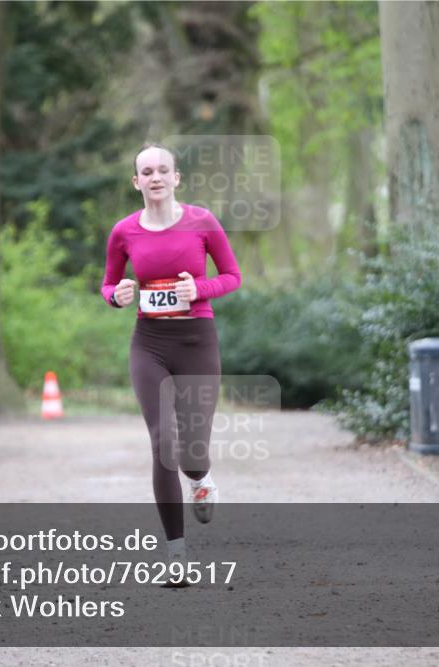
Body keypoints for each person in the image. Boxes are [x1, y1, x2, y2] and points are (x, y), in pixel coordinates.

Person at [101, 143, 242, 582]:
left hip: (197, 343)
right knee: (162, 443)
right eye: (147, 171)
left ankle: (201, 480)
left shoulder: (202, 221)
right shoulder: (124, 231)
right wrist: (117, 295)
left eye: (163, 170)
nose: (156, 177)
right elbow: (108, 285)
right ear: (136, 182)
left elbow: (232, 276)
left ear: (176, 178)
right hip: (150, 345)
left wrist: (199, 289)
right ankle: (176, 555)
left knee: (191, 452)